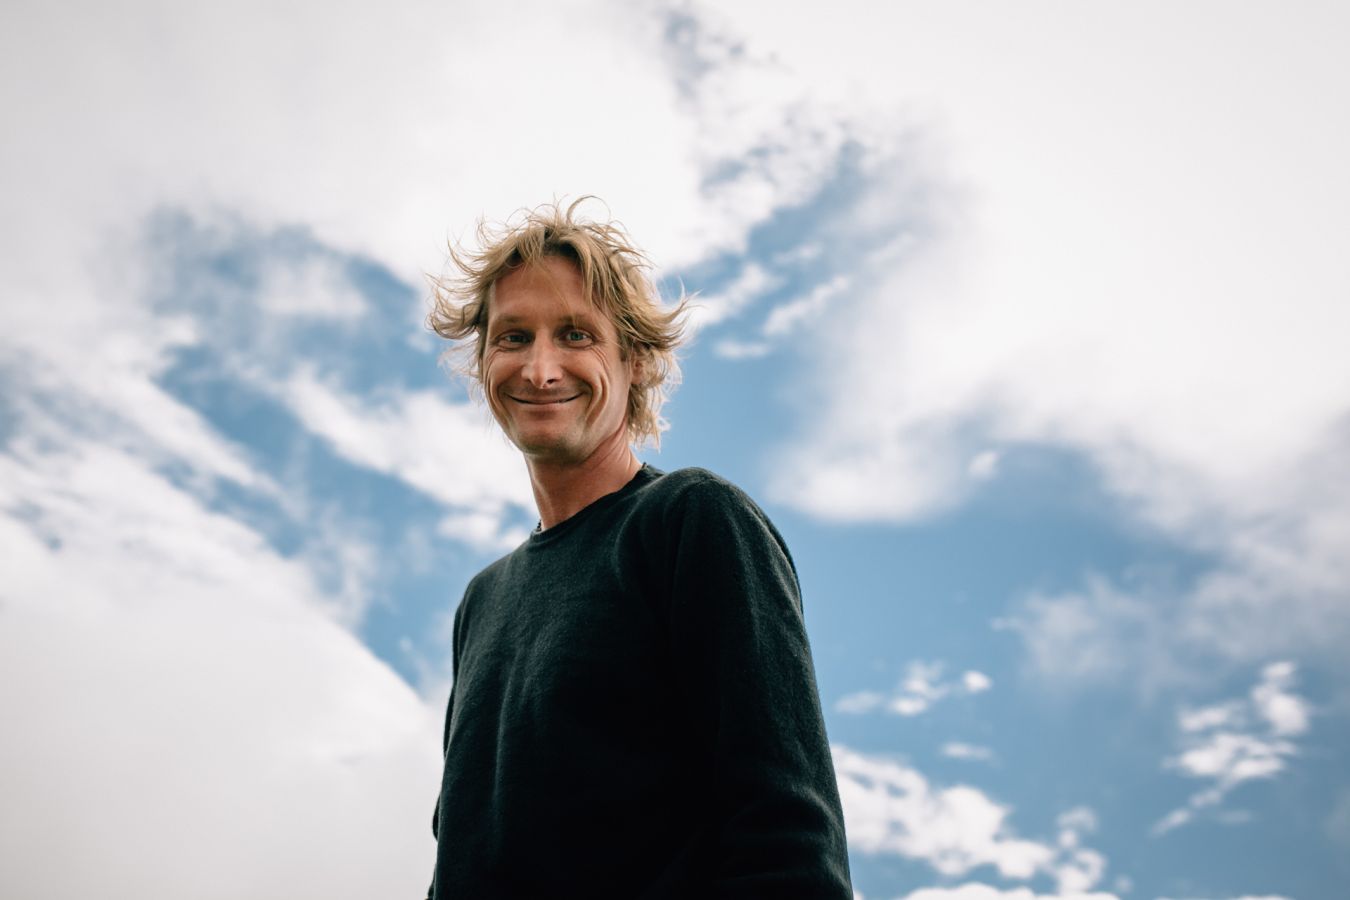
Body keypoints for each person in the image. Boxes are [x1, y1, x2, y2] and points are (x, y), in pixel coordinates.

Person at [424, 198, 852, 898]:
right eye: (512, 337)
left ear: (638, 362)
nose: (539, 369)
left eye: (575, 335)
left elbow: (788, 841)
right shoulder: (483, 600)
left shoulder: (691, 521)